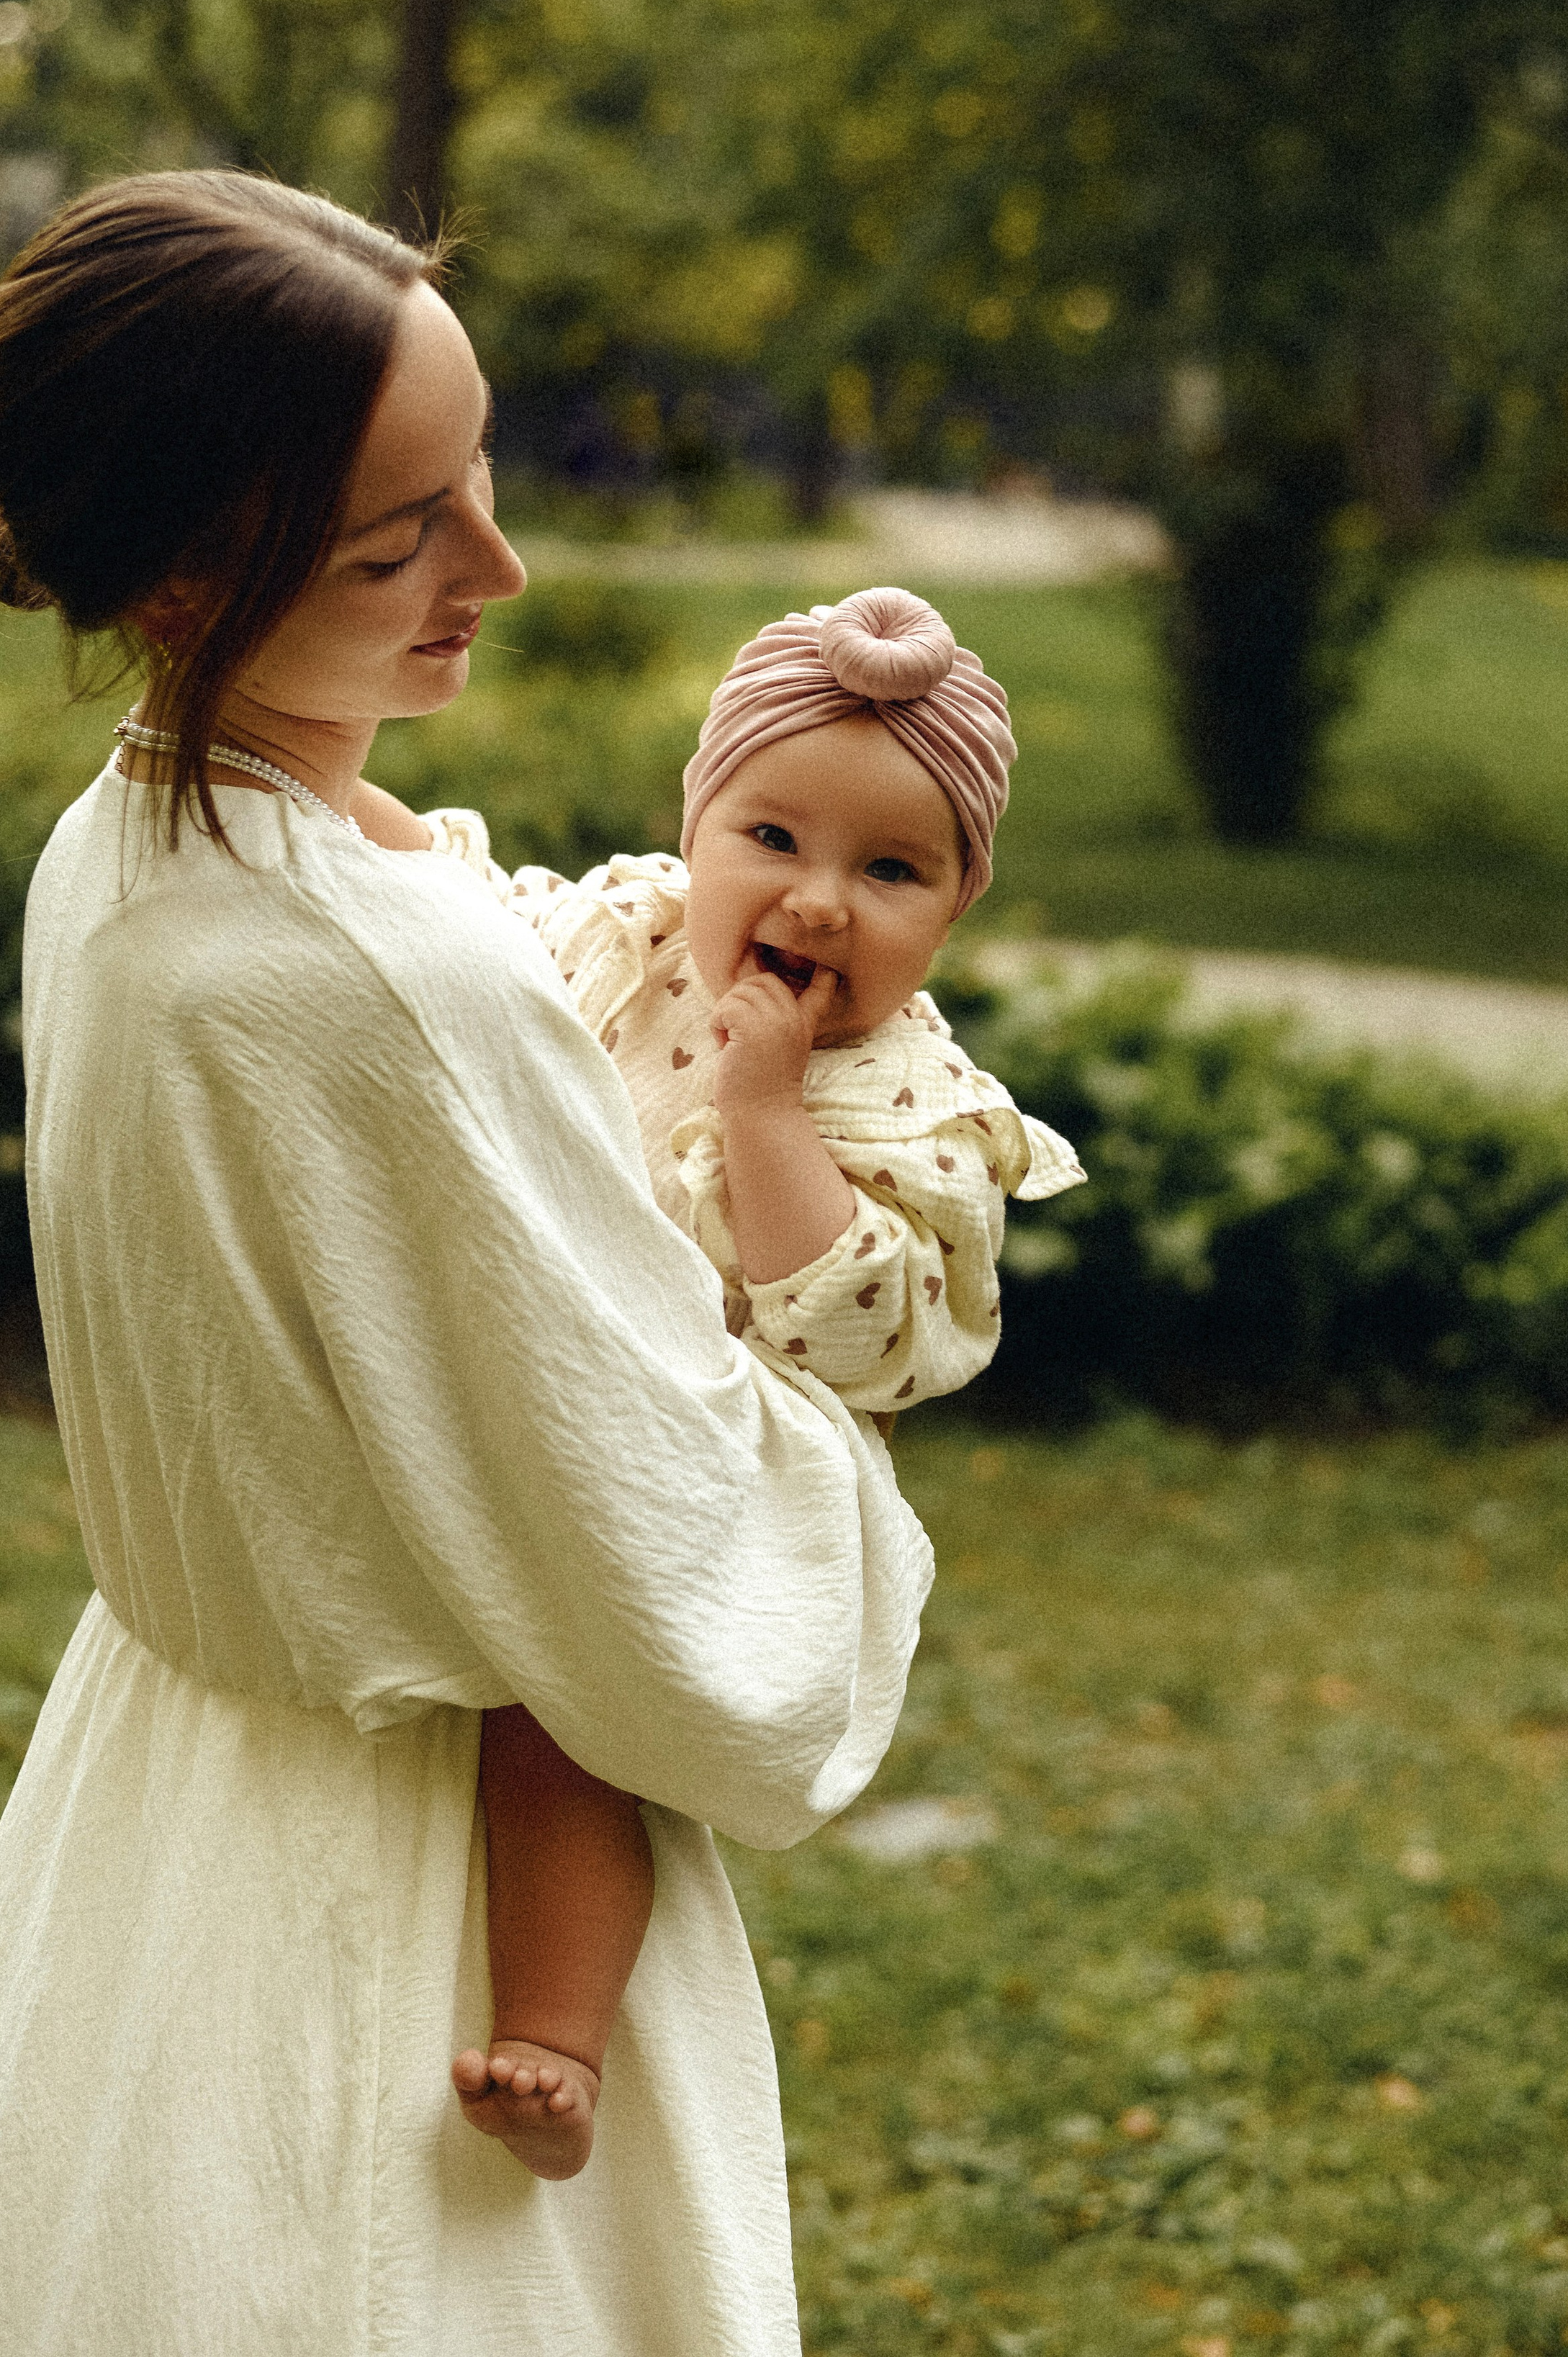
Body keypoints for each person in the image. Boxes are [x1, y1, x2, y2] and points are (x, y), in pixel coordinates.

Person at [0, 170, 932, 2357]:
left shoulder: (119, 844)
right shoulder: (369, 979)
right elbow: (645, 1534)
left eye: (478, 478)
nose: (493, 567)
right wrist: (838, 1400)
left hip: (162, 1814)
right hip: (429, 1891)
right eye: (402, 539)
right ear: (194, 568)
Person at [428, 587, 1083, 2176]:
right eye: (770, 837)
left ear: (954, 908)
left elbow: (869, 1338)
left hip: (684, 1471)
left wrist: (766, 1113)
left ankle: (554, 2037)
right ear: (693, 823)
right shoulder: (624, 928)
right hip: (519, 1382)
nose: (818, 900)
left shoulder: (905, 1099)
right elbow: (461, 926)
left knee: (559, 1729)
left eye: (889, 869)